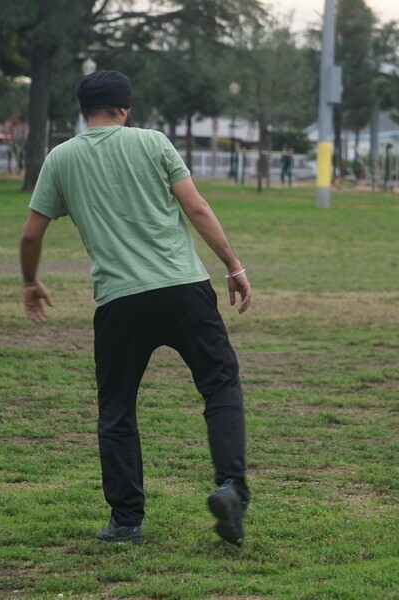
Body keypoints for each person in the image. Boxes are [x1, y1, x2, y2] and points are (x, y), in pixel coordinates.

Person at [19, 70, 251, 546]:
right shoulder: (153, 143)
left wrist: (30, 282)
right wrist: (232, 264)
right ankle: (230, 487)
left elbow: (30, 233)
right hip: (184, 289)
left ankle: (126, 522)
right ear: (124, 108)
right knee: (220, 382)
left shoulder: (61, 159)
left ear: (85, 111)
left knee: (117, 408)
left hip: (120, 301)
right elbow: (197, 208)